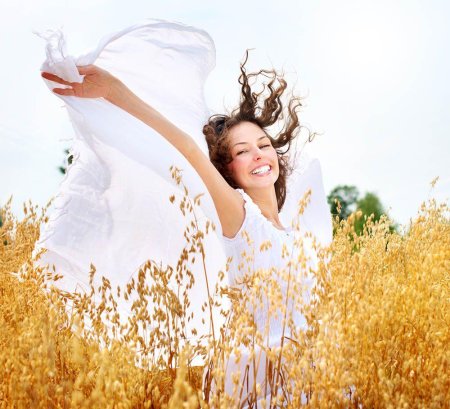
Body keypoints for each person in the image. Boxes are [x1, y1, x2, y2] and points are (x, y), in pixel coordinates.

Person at [39, 19, 332, 406]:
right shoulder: (240, 217)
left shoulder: (299, 236)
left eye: (263, 145)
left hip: (312, 377)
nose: (259, 155)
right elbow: (188, 149)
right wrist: (115, 91)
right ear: (228, 168)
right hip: (256, 379)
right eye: (242, 151)